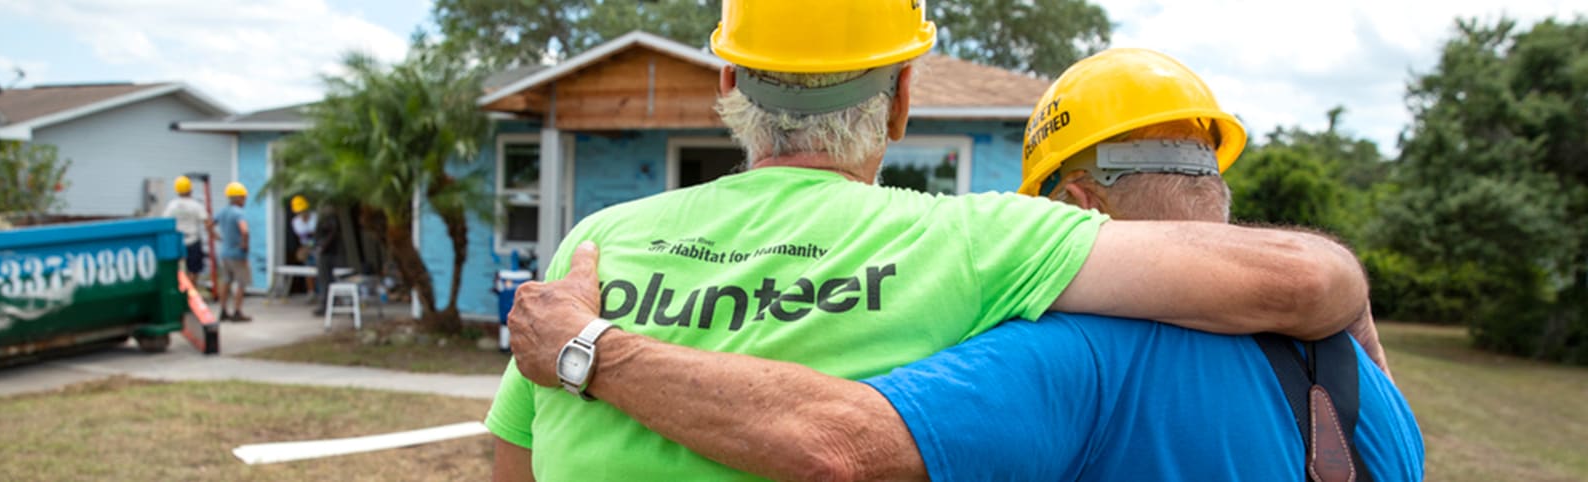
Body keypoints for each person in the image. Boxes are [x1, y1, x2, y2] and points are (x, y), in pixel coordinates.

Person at [485, 2, 1375, 480]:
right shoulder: (980, 240)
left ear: (727, 79)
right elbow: (1299, 281)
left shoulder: (594, 244)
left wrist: (591, 350)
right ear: (904, 98)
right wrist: (1355, 335)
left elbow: (515, 467)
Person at [214, 181, 252, 322]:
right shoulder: (239, 213)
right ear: (240, 198)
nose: (245, 200)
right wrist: (245, 245)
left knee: (226, 281)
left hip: (224, 253)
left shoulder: (223, 211)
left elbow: (210, 224)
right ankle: (237, 311)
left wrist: (216, 237)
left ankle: (223, 310)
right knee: (241, 283)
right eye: (244, 197)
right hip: (237, 254)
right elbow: (245, 231)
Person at [162, 176, 209, 288]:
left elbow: (164, 222)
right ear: (190, 189)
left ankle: (181, 291)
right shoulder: (196, 205)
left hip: (177, 241)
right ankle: (191, 293)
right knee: (194, 270)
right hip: (193, 241)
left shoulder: (171, 205)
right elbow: (206, 222)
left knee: (177, 269)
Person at [311, 203, 341, 317]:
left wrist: (321, 247)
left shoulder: (330, 220)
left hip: (326, 254)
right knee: (325, 280)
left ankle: (326, 305)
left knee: (326, 280)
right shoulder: (324, 219)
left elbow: (331, 234)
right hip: (324, 252)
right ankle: (326, 304)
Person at [290, 195, 318, 296]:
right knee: (308, 270)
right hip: (306, 247)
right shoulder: (296, 222)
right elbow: (302, 235)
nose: (301, 213)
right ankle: (311, 292)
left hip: (317, 247)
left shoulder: (315, 217)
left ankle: (321, 292)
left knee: (319, 269)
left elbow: (316, 234)